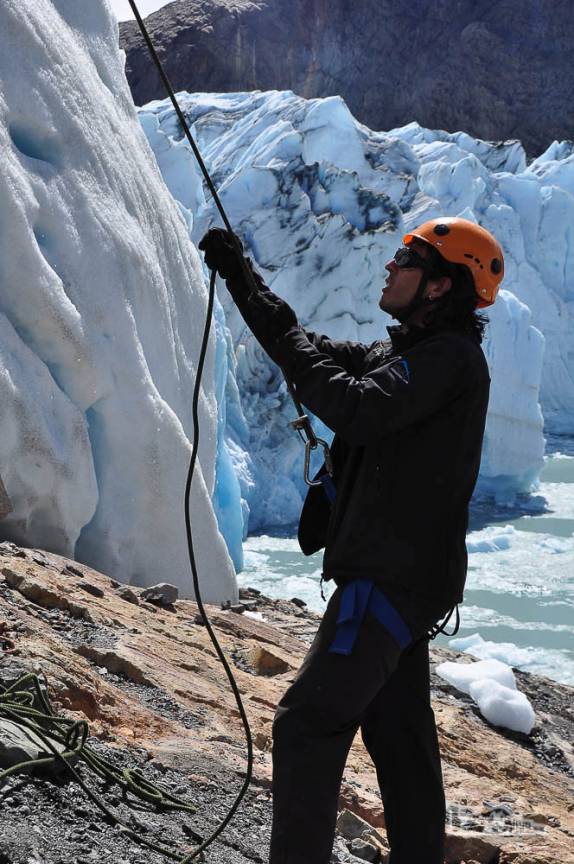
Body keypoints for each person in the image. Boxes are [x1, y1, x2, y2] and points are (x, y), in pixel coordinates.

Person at [199, 217, 504, 864]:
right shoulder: (410, 357)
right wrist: (243, 279)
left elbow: (357, 407)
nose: (390, 268)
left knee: (306, 723)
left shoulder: (449, 361)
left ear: (440, 285)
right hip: (405, 580)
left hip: (388, 580)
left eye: (406, 260)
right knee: (400, 744)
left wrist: (308, 360)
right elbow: (302, 347)